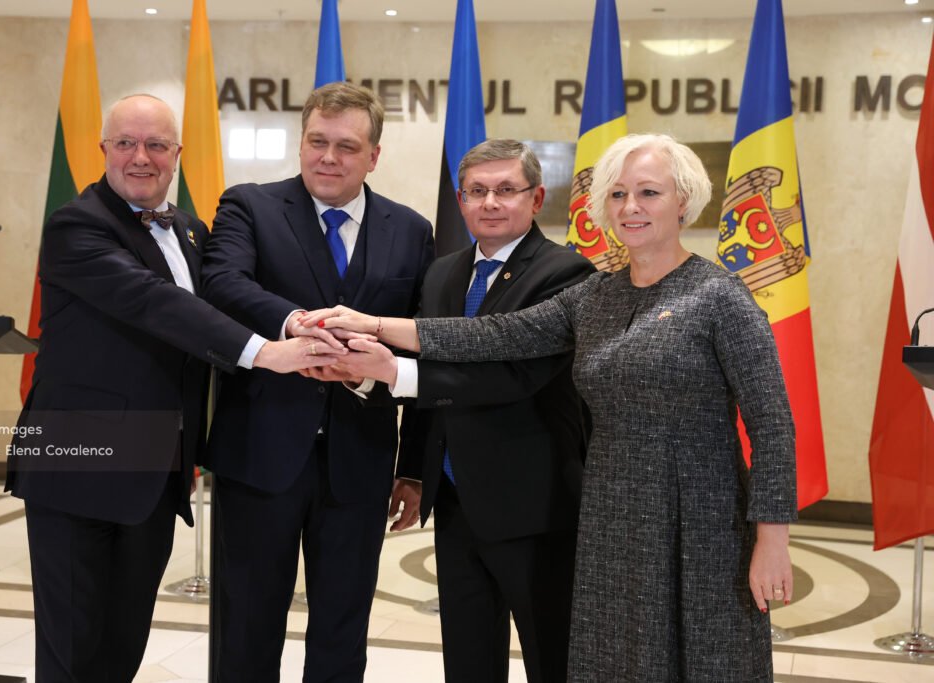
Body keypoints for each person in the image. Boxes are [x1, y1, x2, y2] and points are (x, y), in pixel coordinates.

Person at [303, 133, 797, 682]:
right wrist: (372, 325)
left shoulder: (721, 297)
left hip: (700, 514)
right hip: (610, 512)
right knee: (615, 662)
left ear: (683, 201)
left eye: (649, 193)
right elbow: (495, 336)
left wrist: (772, 540)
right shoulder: (596, 296)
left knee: (706, 657)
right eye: (617, 195)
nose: (630, 208)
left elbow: (772, 424)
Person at [7, 94, 343, 683]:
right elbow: (154, 303)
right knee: (70, 650)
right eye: (127, 144)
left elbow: (228, 295)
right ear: (104, 150)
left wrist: (303, 325)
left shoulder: (190, 230)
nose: (142, 157)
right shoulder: (76, 225)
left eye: (157, 144)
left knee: (122, 643)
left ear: (177, 155)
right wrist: (268, 353)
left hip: (155, 471)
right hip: (73, 469)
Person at [332, 138, 593, 683]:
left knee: (553, 654)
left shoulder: (566, 274)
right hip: (454, 500)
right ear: (460, 199)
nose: (490, 203)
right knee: (468, 655)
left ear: (536, 197)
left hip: (533, 505)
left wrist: (394, 371)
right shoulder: (444, 272)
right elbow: (432, 382)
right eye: (476, 191)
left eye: (505, 190)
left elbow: (509, 376)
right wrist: (411, 470)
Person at [199, 81, 435, 682]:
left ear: (374, 156)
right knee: (246, 625)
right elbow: (222, 282)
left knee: (342, 627)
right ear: (301, 142)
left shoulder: (411, 230)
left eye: (347, 147)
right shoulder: (248, 205)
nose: (328, 157)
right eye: (317, 142)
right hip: (260, 455)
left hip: (360, 462)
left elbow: (425, 343)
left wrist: (412, 467)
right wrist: (292, 322)